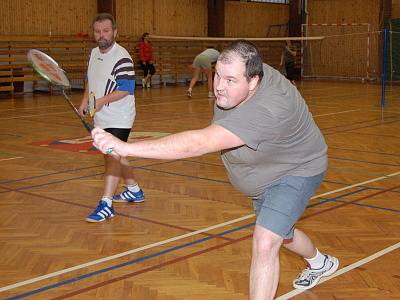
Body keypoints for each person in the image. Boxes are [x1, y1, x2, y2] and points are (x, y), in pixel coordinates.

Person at [92, 40, 339, 299]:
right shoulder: (248, 70)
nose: (219, 86)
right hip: (267, 169)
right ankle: (321, 263)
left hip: (296, 169)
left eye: (230, 80)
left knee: (265, 242)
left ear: (253, 81)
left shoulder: (270, 107)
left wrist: (127, 148)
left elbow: (200, 143)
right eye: (217, 75)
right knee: (282, 233)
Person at [78, 13, 145, 223]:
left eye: (106, 31)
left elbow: (126, 89)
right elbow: (91, 78)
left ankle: (106, 203)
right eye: (98, 31)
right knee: (114, 155)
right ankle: (134, 189)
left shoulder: (122, 57)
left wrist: (99, 101)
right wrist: (84, 100)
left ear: (115, 32)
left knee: (112, 156)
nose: (102, 35)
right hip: (101, 115)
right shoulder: (93, 53)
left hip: (120, 115)